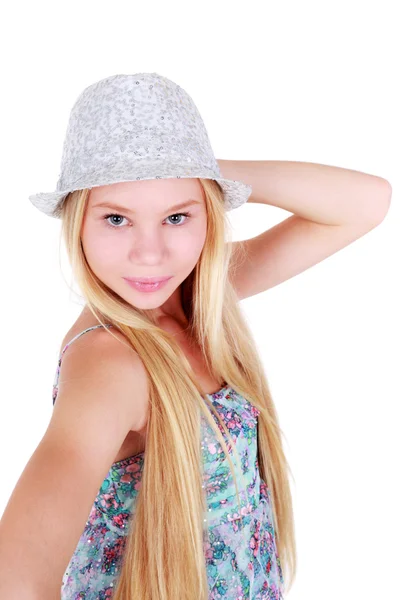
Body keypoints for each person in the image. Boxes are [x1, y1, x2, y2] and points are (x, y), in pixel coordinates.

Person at [0, 72, 294, 599]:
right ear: (77, 224)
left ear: (209, 215)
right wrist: (176, 176)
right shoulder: (111, 364)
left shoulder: (191, 297)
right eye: (116, 218)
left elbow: (364, 204)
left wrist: (191, 164)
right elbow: (16, 579)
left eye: (177, 215)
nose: (150, 253)